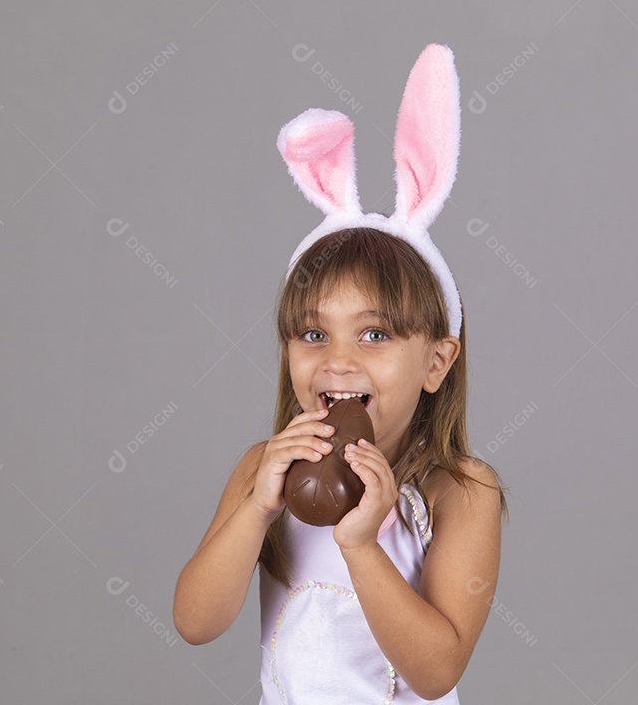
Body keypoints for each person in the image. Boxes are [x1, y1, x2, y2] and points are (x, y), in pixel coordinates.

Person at [174, 43, 509, 704]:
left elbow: (438, 671)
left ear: (436, 362)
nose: (337, 360)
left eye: (376, 334)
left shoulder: (459, 494)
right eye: (313, 333)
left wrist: (361, 543)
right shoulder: (260, 470)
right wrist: (256, 508)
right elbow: (196, 621)